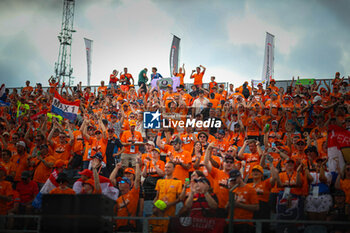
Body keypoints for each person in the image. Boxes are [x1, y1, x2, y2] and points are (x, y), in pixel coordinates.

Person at [115, 156, 141, 232]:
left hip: (129, 227)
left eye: (122, 182)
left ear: (128, 184)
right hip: (118, 228)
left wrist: (137, 163)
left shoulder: (133, 193)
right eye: (119, 182)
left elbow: (138, 179)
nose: (120, 183)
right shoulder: (118, 199)